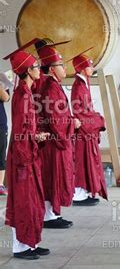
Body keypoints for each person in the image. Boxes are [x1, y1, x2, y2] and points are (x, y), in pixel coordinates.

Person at [3, 40, 50, 259]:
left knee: (32, 200)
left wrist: (36, 136)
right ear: (27, 72)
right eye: (35, 67)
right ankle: (20, 246)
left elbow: (25, 130)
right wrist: (30, 144)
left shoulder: (27, 92)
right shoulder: (22, 95)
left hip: (28, 152)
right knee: (23, 200)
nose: (39, 70)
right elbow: (22, 132)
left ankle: (30, 243)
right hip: (23, 157)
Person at [37, 43, 77, 228]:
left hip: (55, 140)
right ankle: (48, 216)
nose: (65, 68)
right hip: (54, 142)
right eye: (61, 65)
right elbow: (56, 119)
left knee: (54, 177)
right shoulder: (51, 88)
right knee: (52, 176)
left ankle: (52, 213)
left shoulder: (53, 85)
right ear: (52, 69)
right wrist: (72, 123)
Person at [70, 48, 107, 205]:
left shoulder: (83, 84)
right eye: (89, 66)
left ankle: (85, 191)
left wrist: (95, 117)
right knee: (81, 162)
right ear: (82, 68)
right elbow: (81, 113)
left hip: (86, 129)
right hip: (83, 131)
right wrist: (99, 120)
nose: (92, 69)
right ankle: (78, 194)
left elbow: (86, 111)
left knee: (87, 162)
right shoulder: (79, 86)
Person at [0, 77, 10, 196]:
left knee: (1, 153)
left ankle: (0, 184)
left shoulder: (2, 82)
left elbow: (6, 97)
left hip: (1, 124)